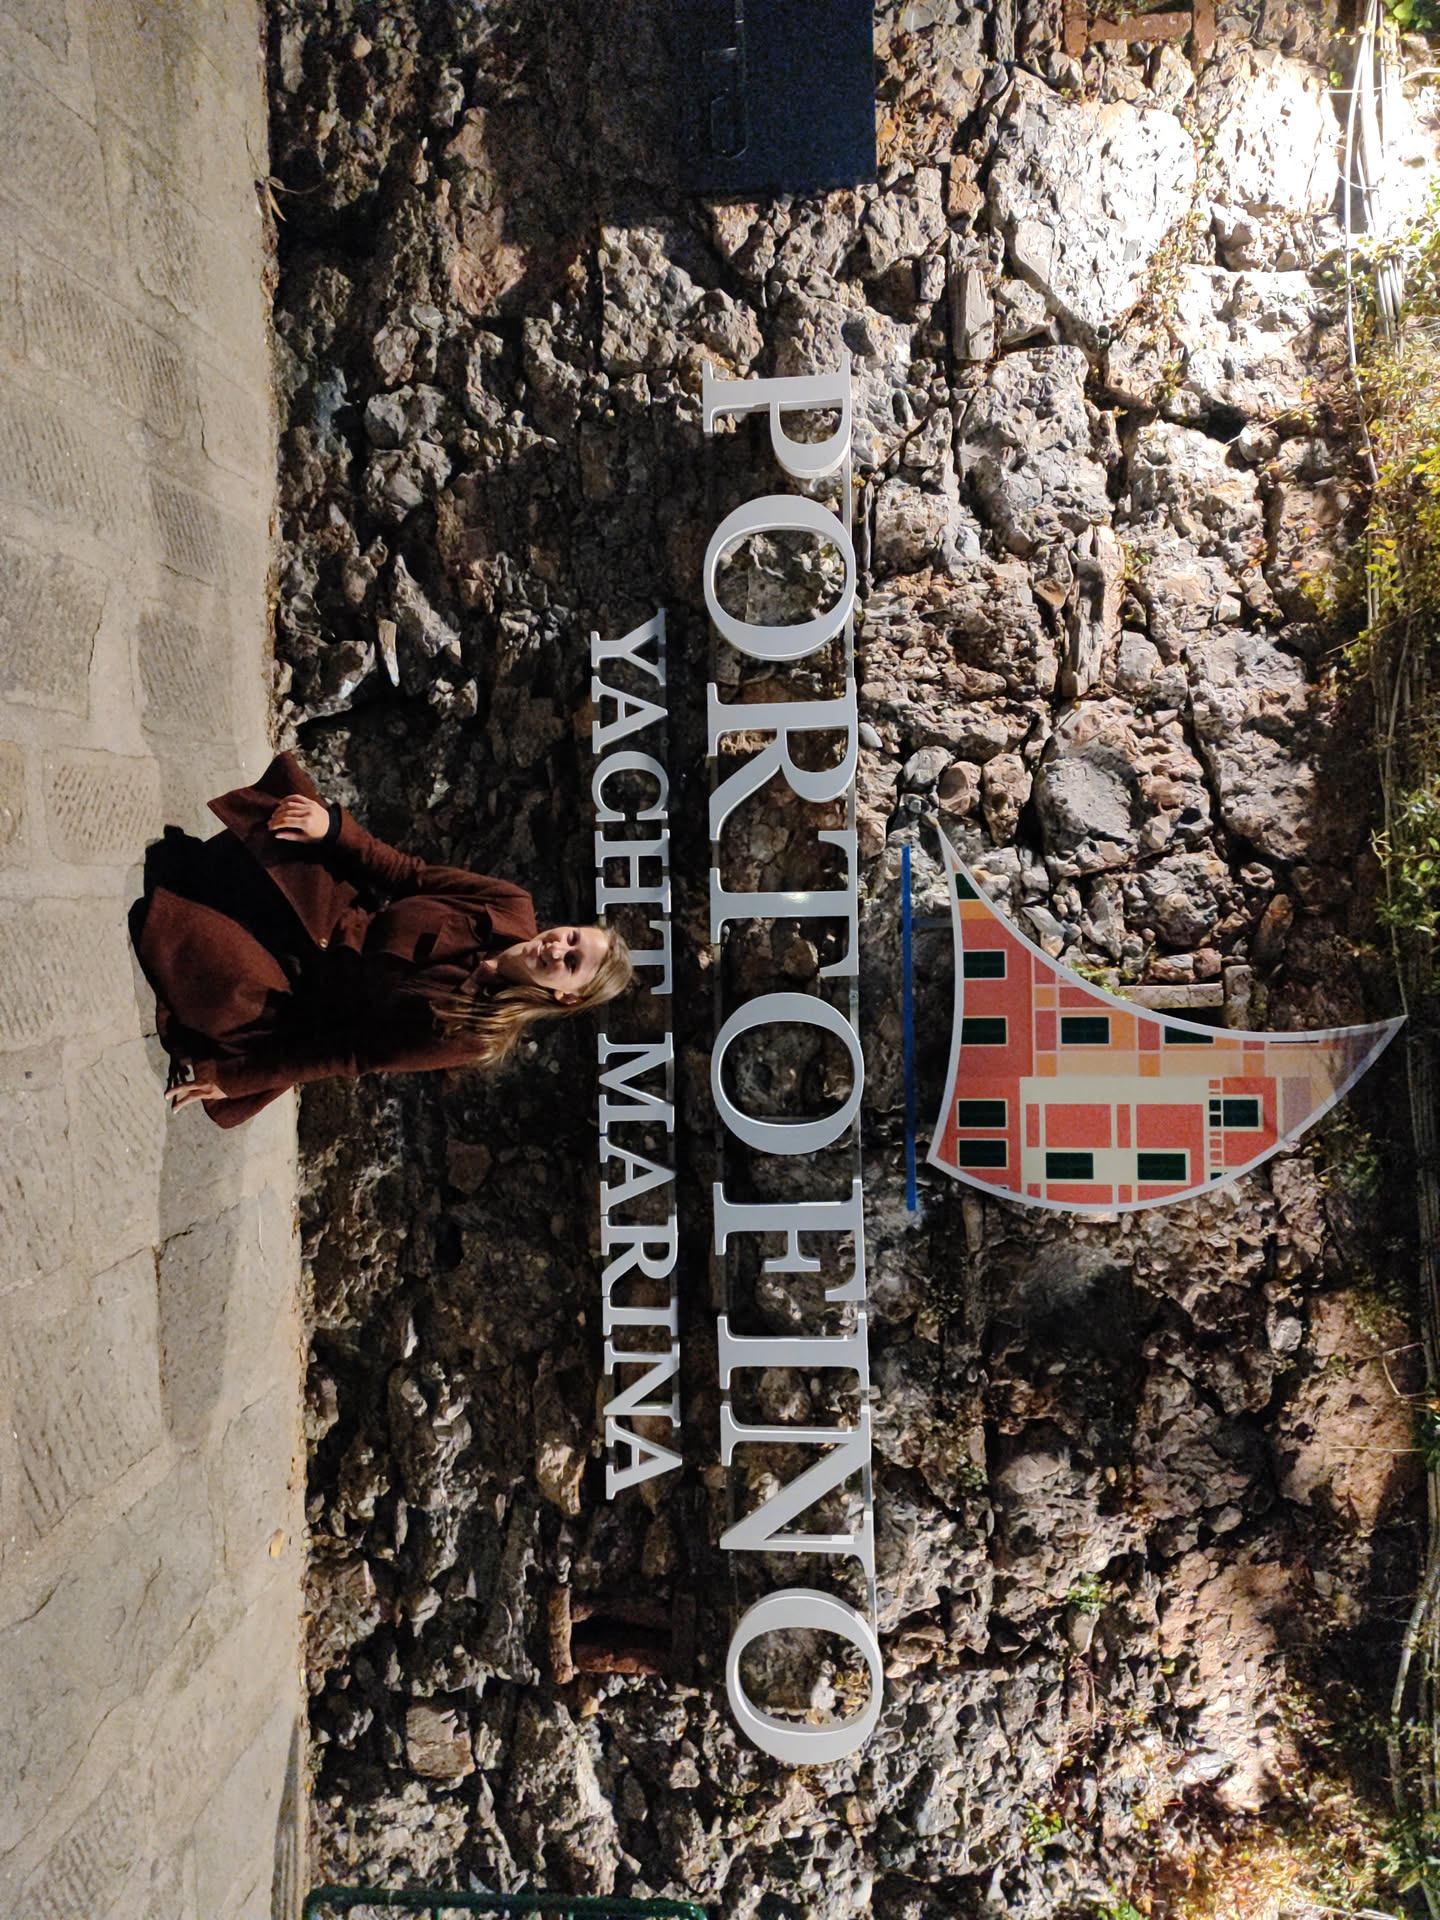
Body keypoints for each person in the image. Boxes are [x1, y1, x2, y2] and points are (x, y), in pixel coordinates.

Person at [129, 752, 632, 1128]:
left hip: (302, 998)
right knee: (291, 818)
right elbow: (409, 875)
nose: (556, 947)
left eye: (571, 962)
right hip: (335, 914)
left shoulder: (476, 1034)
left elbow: (354, 1054)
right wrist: (332, 831)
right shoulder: (511, 905)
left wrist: (239, 1078)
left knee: (169, 928)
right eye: (571, 937)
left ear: (565, 996)